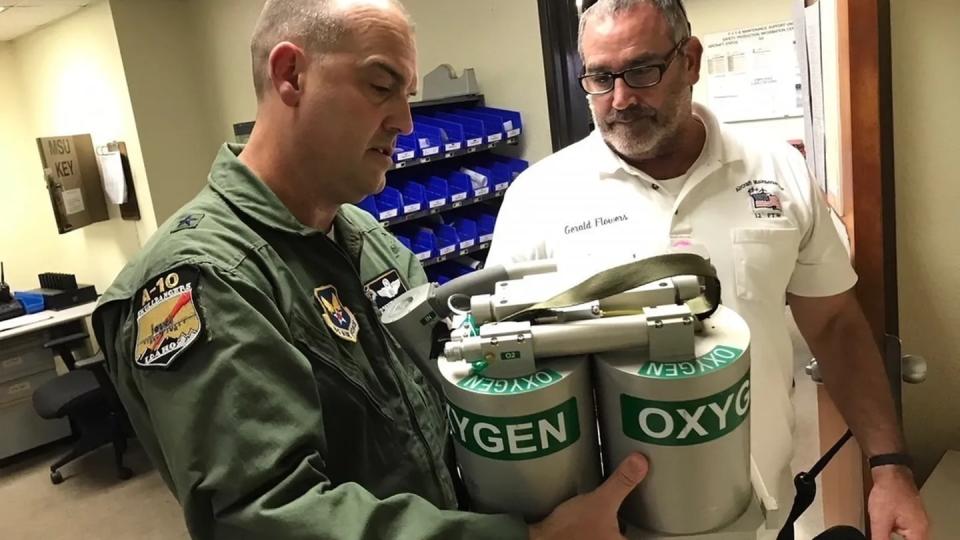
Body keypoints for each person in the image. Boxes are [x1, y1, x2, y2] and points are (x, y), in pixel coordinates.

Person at [92, 1, 648, 539]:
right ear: (290, 75)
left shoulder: (364, 237)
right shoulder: (208, 277)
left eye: (408, 96)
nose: (405, 122)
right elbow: (267, 515)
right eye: (381, 87)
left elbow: (439, 399)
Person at [486, 0, 929, 539]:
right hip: (613, 527)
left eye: (642, 71)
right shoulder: (539, 195)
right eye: (600, 78)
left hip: (762, 516)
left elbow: (835, 323)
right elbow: (506, 365)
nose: (620, 99)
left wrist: (889, 468)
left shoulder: (776, 171)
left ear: (691, 60)